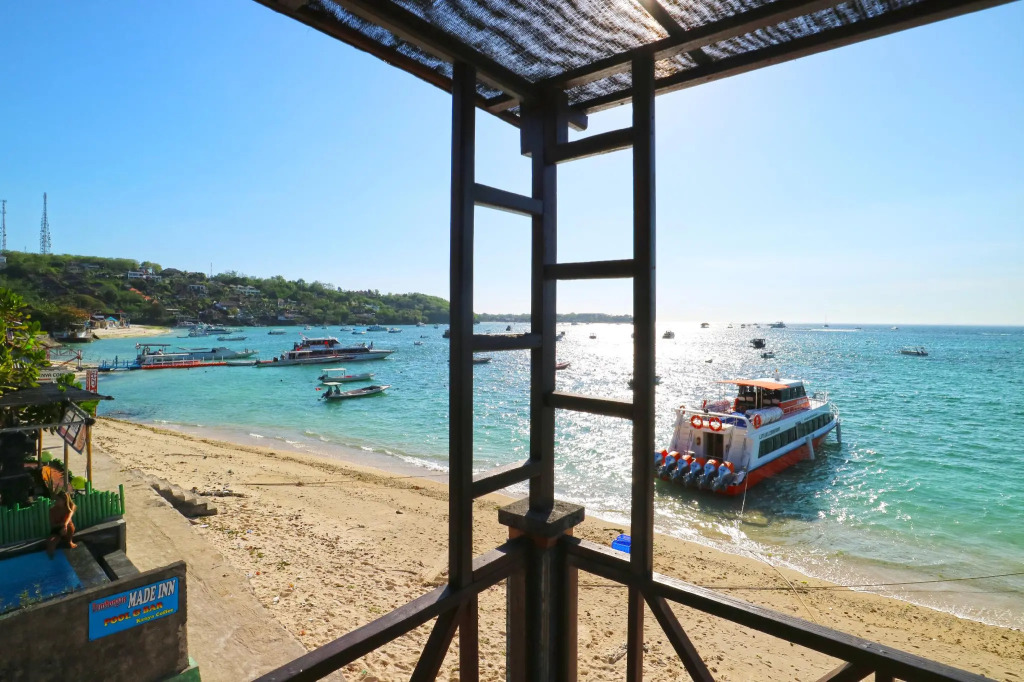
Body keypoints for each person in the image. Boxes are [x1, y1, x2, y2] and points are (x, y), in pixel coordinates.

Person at [46, 490, 77, 558]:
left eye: (58, 500)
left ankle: (69, 541)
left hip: (67, 527)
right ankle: (51, 557)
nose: (55, 501)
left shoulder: (71, 506)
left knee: (70, 525)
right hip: (57, 528)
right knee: (50, 545)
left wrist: (64, 525)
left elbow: (69, 517)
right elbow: (53, 525)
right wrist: (61, 526)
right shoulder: (52, 510)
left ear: (64, 501)